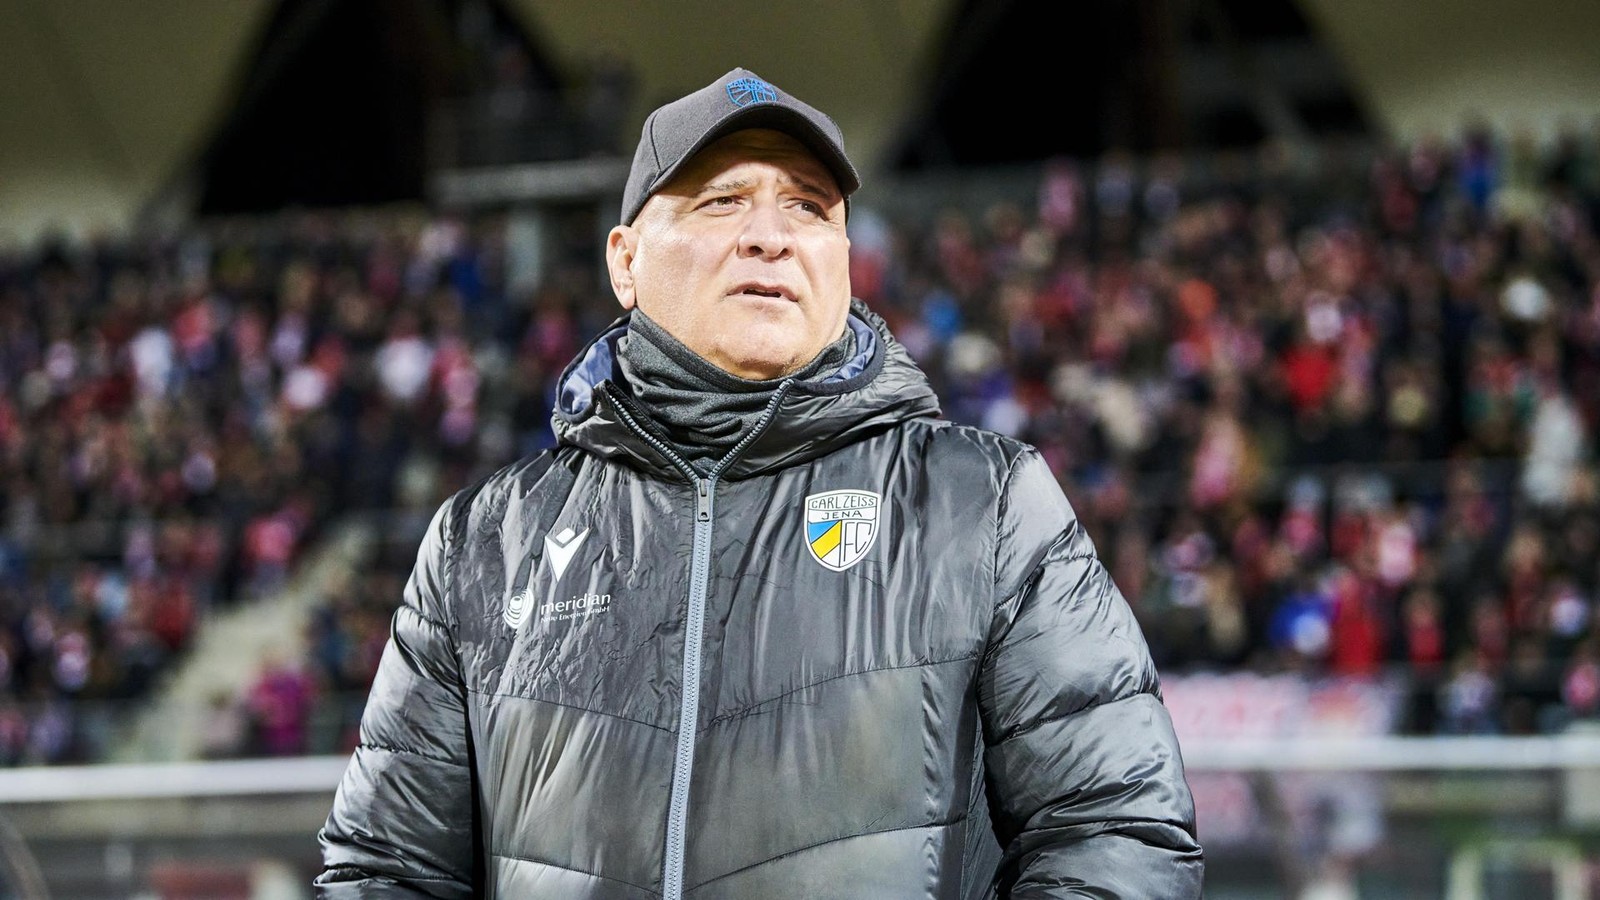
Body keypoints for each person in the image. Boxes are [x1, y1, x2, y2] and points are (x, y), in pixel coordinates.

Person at [317, 66, 1203, 898]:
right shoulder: (483, 542)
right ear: (625, 260)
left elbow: (1117, 827)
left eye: (809, 206)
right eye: (723, 200)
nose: (770, 235)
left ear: (843, 257)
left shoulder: (987, 505)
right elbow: (386, 866)